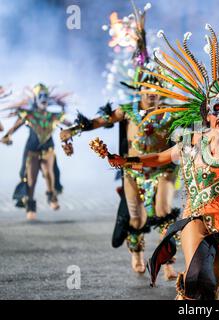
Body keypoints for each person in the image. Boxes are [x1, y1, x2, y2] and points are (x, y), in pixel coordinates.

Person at [92, 25, 219, 299]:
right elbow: (159, 158)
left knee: (215, 286)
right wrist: (126, 161)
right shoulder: (190, 143)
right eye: (217, 108)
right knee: (194, 279)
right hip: (197, 218)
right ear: (208, 113)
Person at [59, 5, 179, 279]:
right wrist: (73, 130)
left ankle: (168, 262)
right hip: (133, 170)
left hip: (162, 169)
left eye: (157, 89)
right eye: (148, 88)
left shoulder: (171, 113)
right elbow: (96, 122)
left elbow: (197, 126)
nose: (152, 94)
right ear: (139, 88)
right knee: (136, 219)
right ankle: (137, 254)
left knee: (164, 211)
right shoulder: (127, 109)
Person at [1, 84, 71, 220]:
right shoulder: (28, 115)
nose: (44, 99)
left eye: (46, 96)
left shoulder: (54, 115)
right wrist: (7, 136)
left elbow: (70, 124)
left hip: (48, 149)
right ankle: (30, 206)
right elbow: (14, 128)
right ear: (36, 99)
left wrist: (80, 126)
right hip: (32, 150)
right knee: (31, 180)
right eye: (41, 96)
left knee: (48, 173)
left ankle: (52, 197)